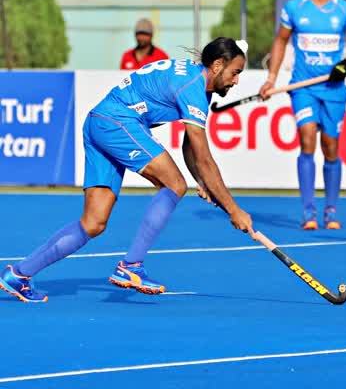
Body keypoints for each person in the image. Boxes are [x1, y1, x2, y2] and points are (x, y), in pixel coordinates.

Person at [0, 38, 253, 303]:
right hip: (119, 122)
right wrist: (234, 210)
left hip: (99, 121)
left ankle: (19, 274)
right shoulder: (193, 87)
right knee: (175, 184)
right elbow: (204, 158)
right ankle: (131, 266)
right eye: (235, 73)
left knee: (93, 223)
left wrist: (203, 181)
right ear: (217, 65)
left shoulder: (198, 84)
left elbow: (190, 145)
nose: (236, 81)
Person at [259, 0, 346, 231]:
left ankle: (330, 210)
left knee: (331, 148)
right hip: (303, 88)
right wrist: (271, 78)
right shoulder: (294, 8)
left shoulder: (344, 10)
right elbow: (280, 41)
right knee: (307, 139)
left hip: (333, 90)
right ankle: (308, 211)